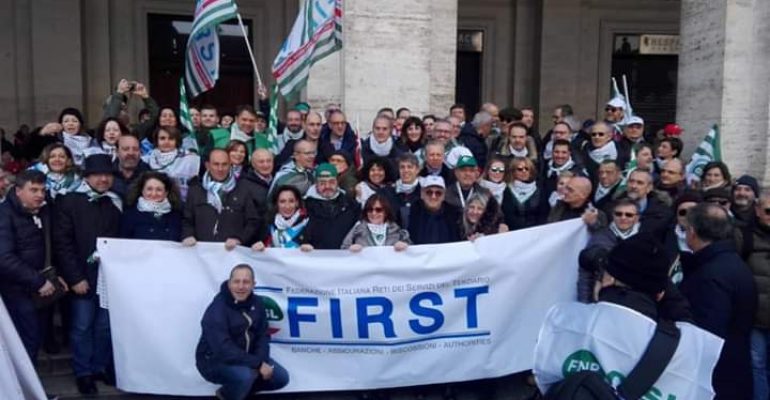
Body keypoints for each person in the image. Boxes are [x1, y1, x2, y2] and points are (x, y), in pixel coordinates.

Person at [533, 233, 724, 400]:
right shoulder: (690, 346)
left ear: (608, 278)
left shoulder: (562, 319)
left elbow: (545, 379)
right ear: (660, 293)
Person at [54, 154, 122, 395]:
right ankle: (83, 372)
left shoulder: (115, 203)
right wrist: (74, 278)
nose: (103, 179)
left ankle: (98, 367)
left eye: (107, 175)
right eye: (97, 175)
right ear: (87, 177)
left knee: (104, 326)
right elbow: (63, 243)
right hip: (82, 277)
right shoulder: (70, 201)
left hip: (108, 277)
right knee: (82, 326)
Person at [679, 203, 757, 400]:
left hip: (717, 377)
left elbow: (707, 334)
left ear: (692, 232)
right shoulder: (732, 263)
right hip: (734, 367)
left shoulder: (711, 275)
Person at [196, 264, 289, 400]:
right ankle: (226, 395)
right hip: (213, 361)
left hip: (247, 357)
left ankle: (241, 391)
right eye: (236, 281)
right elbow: (223, 349)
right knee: (245, 376)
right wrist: (257, 364)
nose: (241, 286)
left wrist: (261, 360)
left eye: (246, 282)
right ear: (229, 283)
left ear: (253, 284)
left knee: (281, 377)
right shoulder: (217, 309)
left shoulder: (257, 302)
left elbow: (263, 335)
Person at [0, 170, 63, 362]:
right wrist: (38, 281)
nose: (39, 195)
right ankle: (24, 391)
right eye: (33, 190)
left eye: (43, 190)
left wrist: (53, 275)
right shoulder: (4, 215)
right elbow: (4, 257)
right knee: (26, 342)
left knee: (34, 340)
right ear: (18, 191)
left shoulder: (43, 211)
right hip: (16, 291)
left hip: (39, 290)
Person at [182, 149, 259, 251]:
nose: (220, 168)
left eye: (224, 164)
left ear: (230, 165)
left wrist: (240, 239)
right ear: (207, 165)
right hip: (202, 255)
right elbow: (187, 219)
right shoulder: (195, 190)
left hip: (233, 253)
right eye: (216, 164)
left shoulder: (243, 189)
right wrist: (188, 235)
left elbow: (252, 221)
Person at [577, 199, 641, 303]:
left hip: (632, 300)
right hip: (600, 298)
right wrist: (584, 303)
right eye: (618, 214)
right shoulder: (599, 237)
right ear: (613, 215)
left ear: (637, 218)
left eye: (629, 215)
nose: (623, 218)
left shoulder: (644, 240)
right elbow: (585, 273)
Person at [302, 163, 361, 250]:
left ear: (337, 182)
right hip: (313, 259)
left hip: (346, 259)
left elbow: (360, 230)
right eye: (322, 183)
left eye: (332, 182)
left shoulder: (351, 204)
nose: (327, 186)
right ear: (316, 184)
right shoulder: (305, 205)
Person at [748, 195, 770, 399]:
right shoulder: (746, 236)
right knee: (757, 366)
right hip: (755, 318)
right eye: (768, 211)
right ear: (757, 211)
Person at [119, 171, 182, 241]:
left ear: (166, 193)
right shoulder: (130, 216)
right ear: (142, 191)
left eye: (159, 190)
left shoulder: (177, 216)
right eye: (149, 189)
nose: (154, 194)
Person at [142, 126, 200, 200]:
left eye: (171, 138)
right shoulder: (147, 160)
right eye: (162, 138)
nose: (166, 142)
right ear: (157, 141)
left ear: (176, 141)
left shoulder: (189, 158)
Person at [341, 193, 411, 252]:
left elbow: (411, 249)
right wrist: (350, 249)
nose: (374, 213)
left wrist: (404, 245)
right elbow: (344, 248)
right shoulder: (358, 228)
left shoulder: (396, 229)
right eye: (370, 209)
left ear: (386, 212)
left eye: (378, 210)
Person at [408, 176, 462, 244]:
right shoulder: (410, 214)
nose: (433, 196)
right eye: (429, 192)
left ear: (444, 196)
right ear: (422, 194)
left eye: (438, 193)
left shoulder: (455, 216)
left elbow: (464, 236)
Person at [251, 185, 309, 250]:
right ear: (276, 204)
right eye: (282, 201)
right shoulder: (267, 224)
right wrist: (260, 246)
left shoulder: (308, 223)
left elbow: (318, 249)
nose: (287, 206)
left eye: (291, 201)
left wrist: (311, 249)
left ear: (297, 203)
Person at [625, 169, 675, 238]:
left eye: (640, 183)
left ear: (649, 188)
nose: (634, 186)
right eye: (631, 181)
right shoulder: (612, 206)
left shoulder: (662, 214)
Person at [501, 157, 547, 230]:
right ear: (513, 172)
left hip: (536, 232)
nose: (524, 171)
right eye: (520, 169)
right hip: (514, 232)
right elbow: (508, 216)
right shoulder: (507, 190)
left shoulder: (539, 190)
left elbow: (543, 215)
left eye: (527, 168)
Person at [381, 153, 421, 229]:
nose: (406, 170)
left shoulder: (425, 192)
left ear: (417, 170)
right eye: (402, 167)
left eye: (410, 167)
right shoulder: (386, 192)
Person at [240, 149, 275, 233]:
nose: (266, 165)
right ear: (253, 164)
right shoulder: (244, 184)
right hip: (256, 235)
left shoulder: (279, 180)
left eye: (269, 161)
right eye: (261, 162)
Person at [112, 135, 150, 200]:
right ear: (117, 152)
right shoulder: (107, 174)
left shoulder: (149, 176)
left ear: (140, 152)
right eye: (126, 149)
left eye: (135, 149)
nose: (131, 153)